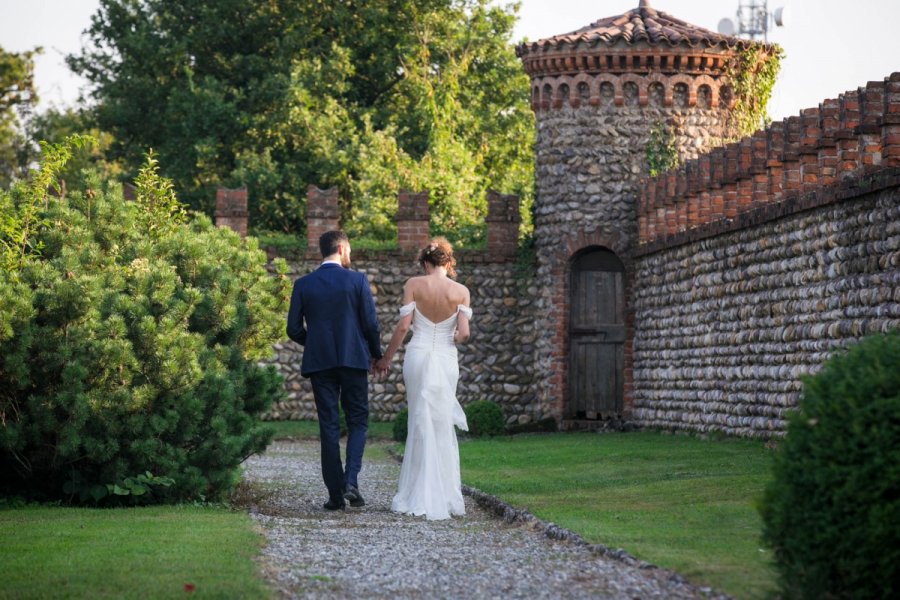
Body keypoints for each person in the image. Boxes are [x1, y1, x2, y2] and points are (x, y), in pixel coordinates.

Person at [374, 237, 472, 520]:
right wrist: (455, 336)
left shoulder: (414, 285)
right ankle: (444, 493)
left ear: (425, 263)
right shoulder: (461, 291)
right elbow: (463, 334)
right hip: (445, 357)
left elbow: (404, 326)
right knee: (441, 422)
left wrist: (386, 358)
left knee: (419, 418)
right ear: (448, 263)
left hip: (417, 356)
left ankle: (416, 492)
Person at [286, 230, 384, 511]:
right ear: (341, 249)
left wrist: (315, 343)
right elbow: (370, 325)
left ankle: (335, 495)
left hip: (320, 364)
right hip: (353, 360)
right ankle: (351, 481)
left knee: (328, 426)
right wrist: (376, 355)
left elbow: (293, 329)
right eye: (349, 250)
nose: (350, 256)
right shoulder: (357, 280)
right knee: (358, 420)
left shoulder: (303, 284)